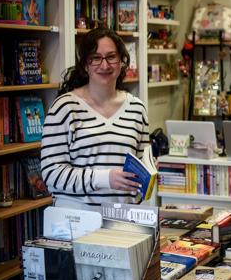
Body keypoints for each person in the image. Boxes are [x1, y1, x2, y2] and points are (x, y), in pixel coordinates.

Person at [41, 27, 150, 211]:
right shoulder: (64, 108)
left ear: (122, 62)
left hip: (123, 221)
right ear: (85, 64)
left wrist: (149, 171)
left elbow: (142, 165)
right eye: (96, 58)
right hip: (76, 223)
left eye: (111, 57)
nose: (105, 65)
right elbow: (51, 174)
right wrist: (105, 178)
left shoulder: (136, 108)